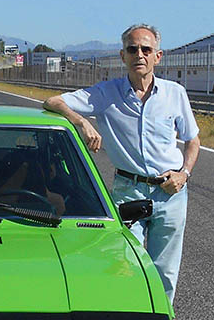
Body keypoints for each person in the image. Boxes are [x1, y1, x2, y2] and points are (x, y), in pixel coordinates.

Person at [43, 24, 200, 303]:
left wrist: (184, 174)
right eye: (132, 49)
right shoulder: (106, 93)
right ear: (122, 56)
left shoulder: (175, 93)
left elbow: (192, 141)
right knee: (126, 263)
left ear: (158, 56)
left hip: (172, 191)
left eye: (146, 49)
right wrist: (82, 122)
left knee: (165, 271)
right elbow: (52, 101)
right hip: (129, 189)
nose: (139, 54)